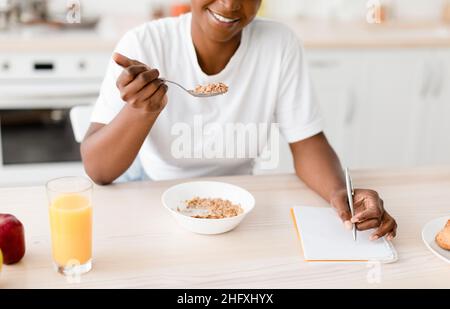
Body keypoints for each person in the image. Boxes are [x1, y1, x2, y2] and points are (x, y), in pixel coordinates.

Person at [81, 0, 397, 240]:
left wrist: (341, 194)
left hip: (240, 202)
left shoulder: (279, 45)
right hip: (153, 192)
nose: (231, 4)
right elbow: (98, 170)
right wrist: (140, 111)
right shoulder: (144, 44)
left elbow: (307, 142)